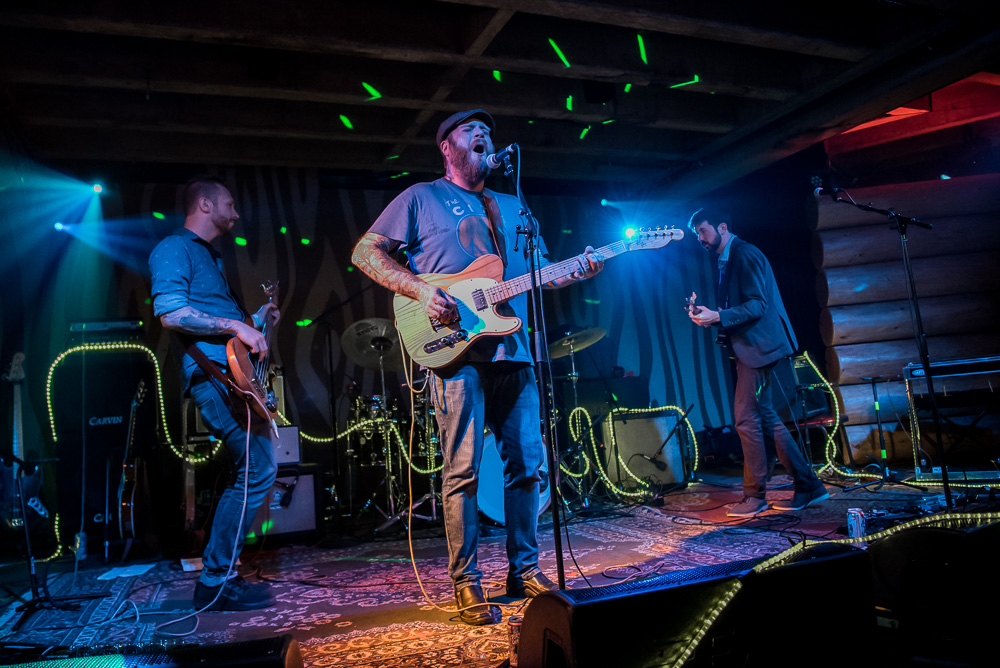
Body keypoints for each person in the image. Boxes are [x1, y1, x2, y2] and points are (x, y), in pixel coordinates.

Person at [351, 109, 603, 625]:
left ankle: (524, 570)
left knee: (527, 467)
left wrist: (577, 271)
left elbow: (542, 273)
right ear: (447, 147)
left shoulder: (514, 206)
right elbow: (364, 252)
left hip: (515, 350)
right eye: (470, 130)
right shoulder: (420, 198)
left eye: (487, 130)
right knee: (462, 470)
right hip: (454, 349)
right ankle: (467, 583)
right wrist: (423, 290)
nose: (483, 134)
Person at [149, 175, 279, 610]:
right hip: (212, 378)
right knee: (258, 467)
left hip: (230, 374)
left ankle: (219, 575)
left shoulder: (209, 257)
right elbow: (171, 313)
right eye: (230, 203)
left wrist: (256, 319)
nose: (236, 213)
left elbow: (220, 323)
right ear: (204, 205)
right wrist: (236, 324)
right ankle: (215, 581)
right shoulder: (174, 248)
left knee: (252, 467)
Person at [686, 208, 828, 517]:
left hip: (761, 346)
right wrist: (709, 315)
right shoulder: (726, 257)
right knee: (763, 418)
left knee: (745, 419)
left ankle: (755, 496)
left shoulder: (745, 253)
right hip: (752, 347)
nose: (700, 238)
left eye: (703, 231)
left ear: (722, 226)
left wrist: (718, 316)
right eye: (697, 233)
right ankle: (809, 486)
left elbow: (757, 304)